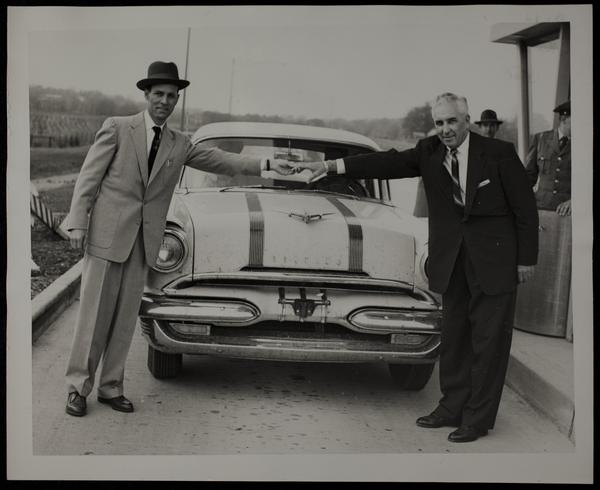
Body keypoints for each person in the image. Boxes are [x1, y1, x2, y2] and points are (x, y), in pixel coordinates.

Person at [295, 93, 538, 442]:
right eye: (439, 123)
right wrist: (332, 167)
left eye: (452, 121)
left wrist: (526, 259)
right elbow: (386, 162)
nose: (446, 129)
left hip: (494, 263)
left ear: (466, 120)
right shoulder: (429, 151)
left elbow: (525, 208)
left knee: (489, 343)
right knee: (454, 338)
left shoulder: (498, 153)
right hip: (451, 262)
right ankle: (451, 407)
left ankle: (477, 418)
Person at [64, 61, 291, 417]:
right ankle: (78, 388)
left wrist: (264, 165)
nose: (164, 101)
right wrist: (77, 222)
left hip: (144, 244)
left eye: (171, 96)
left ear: (177, 100)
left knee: (125, 321)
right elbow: (88, 178)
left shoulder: (180, 143)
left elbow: (220, 160)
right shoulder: (118, 128)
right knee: (93, 317)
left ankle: (111, 388)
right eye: (159, 94)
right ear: (146, 95)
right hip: (107, 239)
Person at [524, 100, 571, 216]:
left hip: (567, 211)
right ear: (564, 119)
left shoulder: (583, 145)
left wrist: (574, 201)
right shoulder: (540, 139)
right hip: (541, 207)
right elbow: (528, 176)